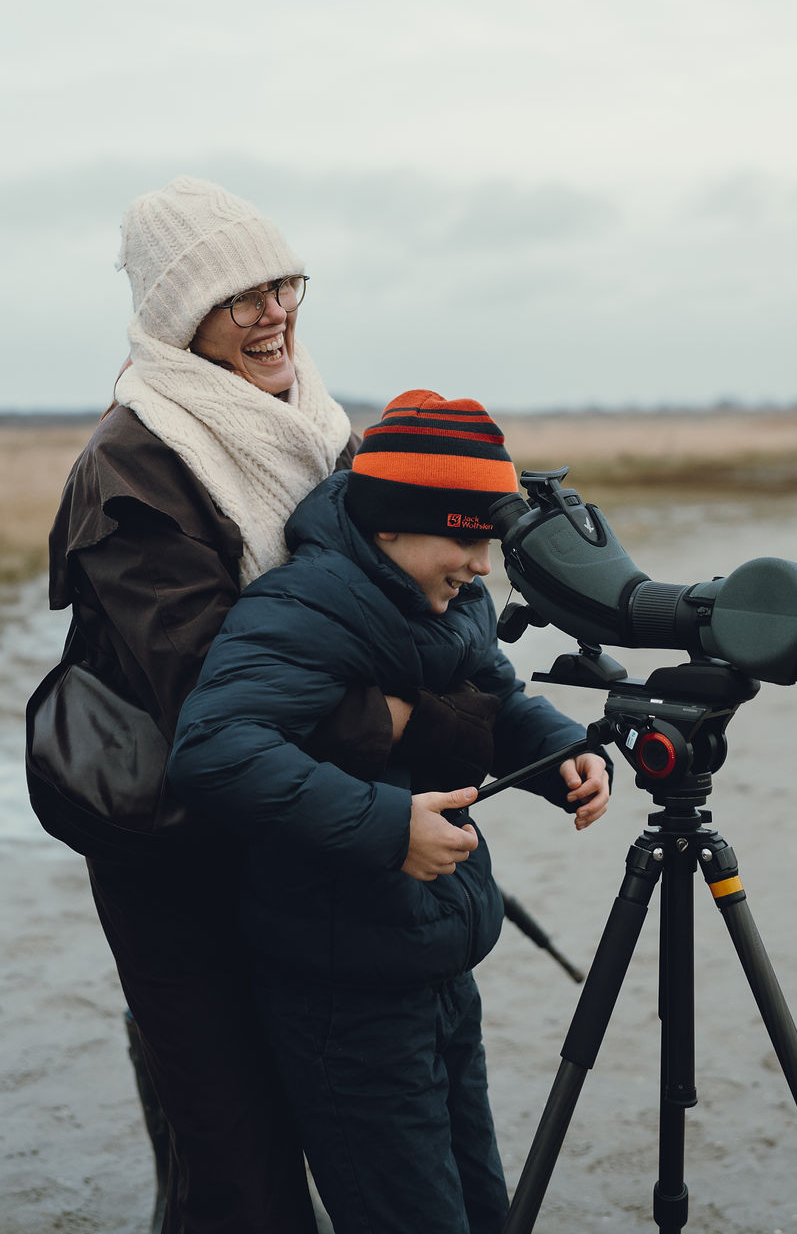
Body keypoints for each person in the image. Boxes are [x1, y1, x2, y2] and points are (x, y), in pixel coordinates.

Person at [167, 389, 612, 1234]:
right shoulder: (305, 607)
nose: (484, 565)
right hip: (344, 993)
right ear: (392, 525)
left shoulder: (450, 601)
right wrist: (386, 826)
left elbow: (495, 693)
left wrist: (564, 755)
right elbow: (214, 750)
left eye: (490, 539)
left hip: (436, 961)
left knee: (483, 1207)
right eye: (466, 537)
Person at [48, 175, 362, 1233]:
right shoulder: (133, 463)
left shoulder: (316, 428)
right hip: (168, 841)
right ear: (183, 318)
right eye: (241, 296)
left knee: (295, 1118)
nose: (273, 310)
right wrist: (415, 726)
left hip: (286, 827)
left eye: (283, 282)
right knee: (233, 1152)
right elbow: (214, 683)